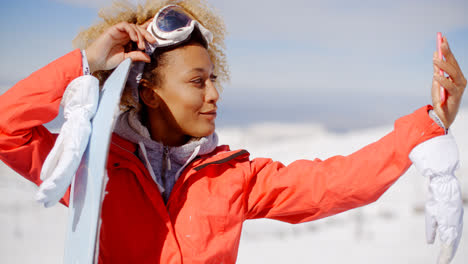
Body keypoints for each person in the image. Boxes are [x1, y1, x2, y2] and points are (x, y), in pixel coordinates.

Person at [0, 0, 466, 263]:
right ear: (148, 92)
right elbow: (6, 129)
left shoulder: (232, 178)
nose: (214, 94)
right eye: (197, 81)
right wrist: (87, 64)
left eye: (214, 78)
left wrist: (428, 127)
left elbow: (336, 183)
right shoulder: (92, 167)